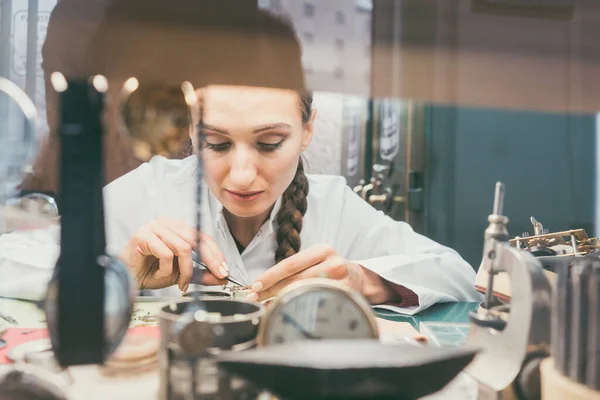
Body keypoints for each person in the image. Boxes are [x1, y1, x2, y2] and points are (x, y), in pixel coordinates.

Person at [0, 0, 481, 315]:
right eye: (217, 143)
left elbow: (458, 275)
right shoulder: (148, 191)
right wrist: (117, 271)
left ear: (308, 130)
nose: (244, 174)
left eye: (270, 143)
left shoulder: (333, 205)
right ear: (190, 130)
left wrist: (363, 280)